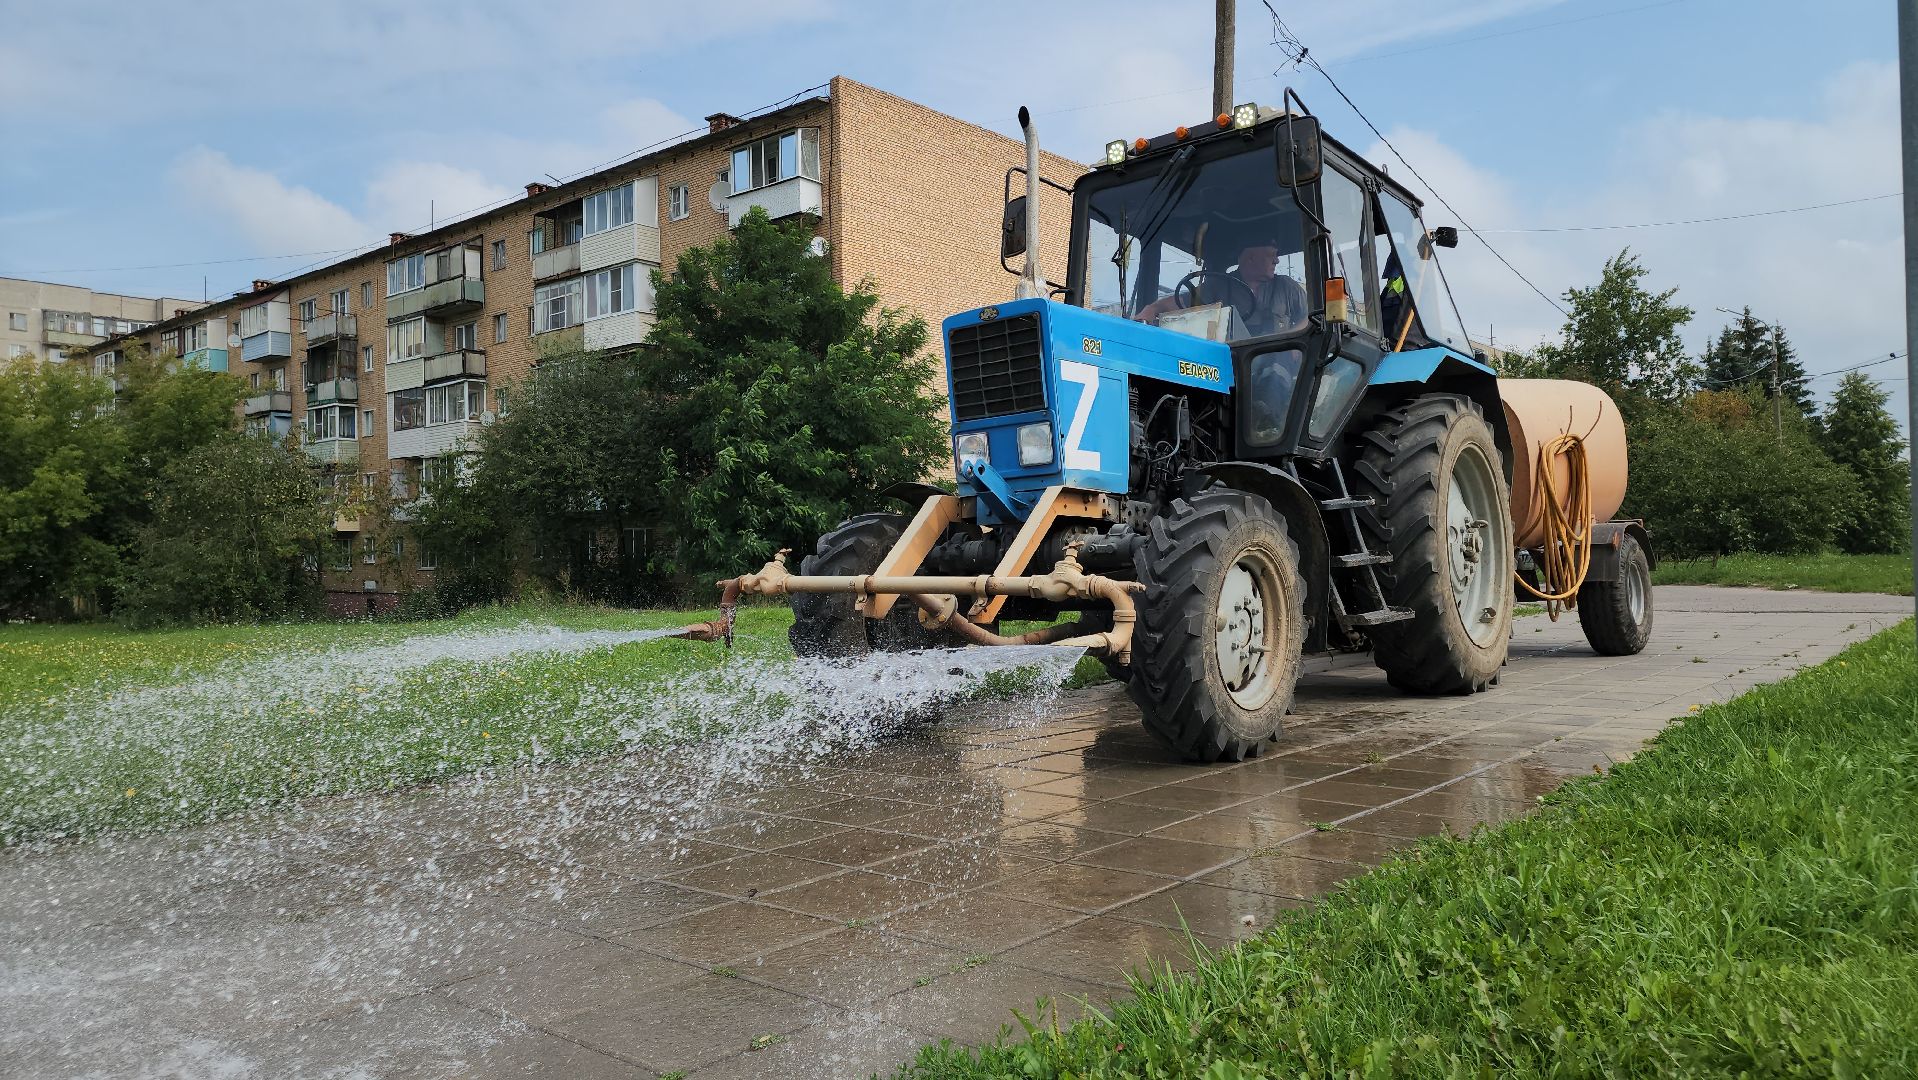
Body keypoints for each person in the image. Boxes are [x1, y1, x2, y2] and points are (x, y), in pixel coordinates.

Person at [1134, 241, 1309, 338]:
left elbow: (1314, 315)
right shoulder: (1219, 286)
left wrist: (1291, 338)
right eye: (1272, 255)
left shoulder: (1286, 287)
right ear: (1250, 259)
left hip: (1277, 360)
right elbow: (1182, 302)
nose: (1276, 261)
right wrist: (1152, 309)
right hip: (1233, 363)